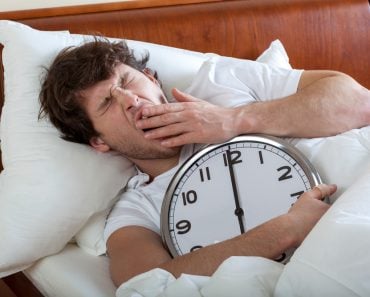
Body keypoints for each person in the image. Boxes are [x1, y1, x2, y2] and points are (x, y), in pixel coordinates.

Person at [39, 38, 370, 287]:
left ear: (152, 79)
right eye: (107, 102)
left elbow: (360, 103)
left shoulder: (223, 84)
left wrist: (233, 120)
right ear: (99, 142)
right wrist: (285, 231)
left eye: (127, 82)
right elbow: (146, 287)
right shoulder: (136, 211)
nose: (131, 100)